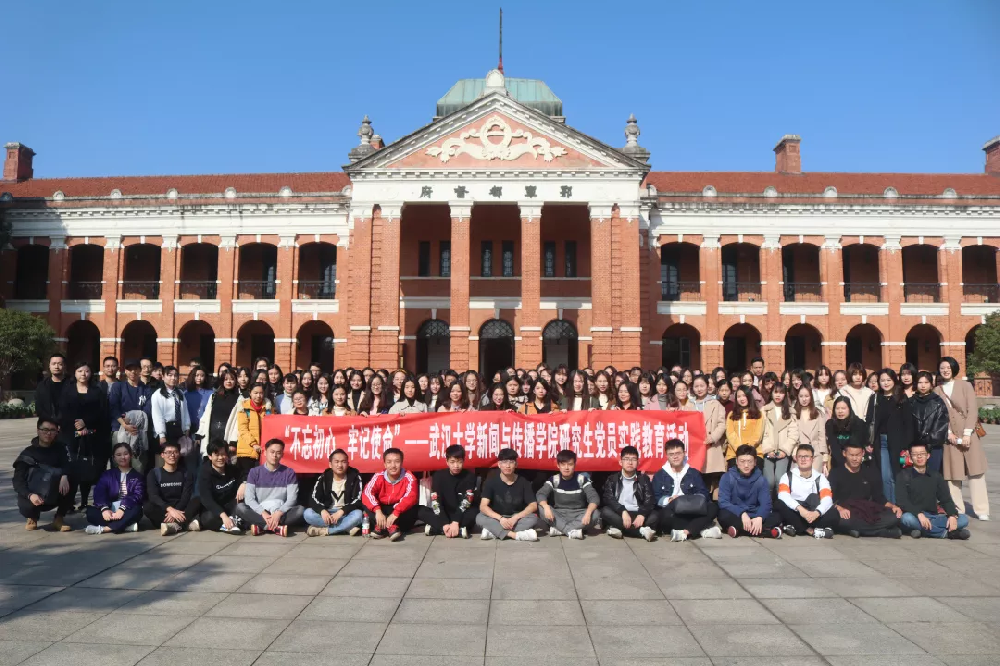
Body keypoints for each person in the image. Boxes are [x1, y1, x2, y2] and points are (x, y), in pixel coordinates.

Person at [935, 357, 989, 520]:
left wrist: (967, 433)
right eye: (942, 367)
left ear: (953, 368)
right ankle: (958, 508)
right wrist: (948, 433)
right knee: (953, 473)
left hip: (968, 432)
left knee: (976, 472)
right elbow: (939, 415)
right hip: (949, 435)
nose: (945, 370)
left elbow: (972, 409)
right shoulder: (937, 390)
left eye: (948, 367)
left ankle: (981, 509)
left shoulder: (965, 385)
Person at [59, 360, 107, 511]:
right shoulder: (67, 390)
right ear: (75, 372)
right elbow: (63, 412)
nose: (83, 374)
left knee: (87, 467)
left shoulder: (97, 390)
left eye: (86, 371)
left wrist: (86, 422)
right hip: (70, 434)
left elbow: (102, 412)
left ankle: (85, 501)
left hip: (91, 434)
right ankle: (69, 501)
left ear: (91, 373)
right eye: (80, 371)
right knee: (72, 466)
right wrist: (76, 426)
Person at [896, 442, 970, 540]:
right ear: (910, 457)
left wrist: (952, 515)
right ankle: (947, 533)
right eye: (915, 454)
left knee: (963, 519)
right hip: (914, 515)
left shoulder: (936, 476)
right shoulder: (903, 475)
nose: (919, 457)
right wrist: (919, 514)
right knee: (906, 519)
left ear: (928, 456)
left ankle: (921, 531)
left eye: (922, 454)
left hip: (934, 516)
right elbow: (902, 501)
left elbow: (946, 499)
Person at [829, 441, 902, 538]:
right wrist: (839, 508)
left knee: (894, 517)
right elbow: (829, 498)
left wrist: (893, 506)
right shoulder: (835, 473)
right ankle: (880, 532)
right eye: (851, 455)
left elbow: (879, 498)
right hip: (846, 512)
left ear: (863, 453)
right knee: (835, 517)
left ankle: (857, 530)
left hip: (866, 512)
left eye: (858, 455)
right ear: (844, 454)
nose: (855, 458)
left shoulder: (870, 472)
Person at [13, 417, 74, 531]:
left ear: (57, 432)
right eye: (45, 430)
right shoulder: (28, 453)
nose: (48, 433)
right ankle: (32, 517)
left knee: (73, 478)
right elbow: (17, 481)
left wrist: (65, 475)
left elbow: (69, 465)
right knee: (25, 498)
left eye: (52, 430)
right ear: (38, 430)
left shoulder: (61, 448)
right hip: (34, 494)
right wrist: (30, 495)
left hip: (54, 491)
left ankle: (59, 518)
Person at [652, 439, 721, 541]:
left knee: (713, 507)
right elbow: (655, 497)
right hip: (672, 512)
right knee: (663, 516)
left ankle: (685, 532)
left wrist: (688, 499)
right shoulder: (659, 475)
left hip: (692, 509)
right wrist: (669, 500)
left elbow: (704, 494)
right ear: (666, 456)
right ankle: (702, 529)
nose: (675, 457)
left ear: (684, 453)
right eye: (671, 454)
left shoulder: (693, 473)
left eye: (678, 453)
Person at [236, 438, 304, 537]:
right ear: (265, 452)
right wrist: (263, 513)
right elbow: (249, 499)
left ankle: (261, 526)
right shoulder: (254, 472)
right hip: (261, 511)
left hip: (280, 511)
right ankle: (276, 528)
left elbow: (292, 499)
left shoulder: (289, 473)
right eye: (272, 452)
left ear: (282, 455)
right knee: (240, 508)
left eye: (278, 453)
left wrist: (279, 513)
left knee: (300, 510)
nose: (275, 456)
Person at [867, 369, 913, 504]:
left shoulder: (901, 398)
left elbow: (908, 423)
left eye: (888, 380)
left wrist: (907, 445)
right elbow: (870, 420)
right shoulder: (875, 398)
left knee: (896, 476)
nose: (885, 383)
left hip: (898, 442)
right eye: (882, 380)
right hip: (881, 442)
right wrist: (867, 442)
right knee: (885, 476)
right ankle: (889, 507)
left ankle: (899, 505)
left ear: (894, 380)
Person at [717, 444, 782, 538]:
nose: (746, 465)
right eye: (742, 461)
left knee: (777, 516)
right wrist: (742, 513)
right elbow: (723, 502)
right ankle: (766, 532)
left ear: (755, 462)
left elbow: (766, 503)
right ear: (736, 462)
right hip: (737, 514)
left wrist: (760, 517)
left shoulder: (761, 480)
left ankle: (739, 530)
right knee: (722, 515)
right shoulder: (727, 477)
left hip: (755, 514)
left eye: (749, 461)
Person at [476, 448, 539, 541]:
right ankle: (515, 535)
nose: (508, 465)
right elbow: (483, 506)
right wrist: (500, 519)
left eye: (511, 462)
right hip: (497, 517)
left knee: (533, 518)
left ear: (516, 464)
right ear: (499, 464)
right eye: (504, 462)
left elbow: (533, 505)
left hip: (517, 518)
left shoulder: (523, 482)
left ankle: (494, 532)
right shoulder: (491, 482)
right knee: (479, 517)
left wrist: (516, 517)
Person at [535, 450, 600, 539]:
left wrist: (588, 513)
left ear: (574, 465)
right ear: (558, 465)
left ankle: (561, 530)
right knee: (541, 507)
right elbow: (541, 494)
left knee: (595, 513)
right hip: (558, 515)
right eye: (563, 464)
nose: (566, 468)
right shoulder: (554, 479)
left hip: (579, 514)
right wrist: (546, 507)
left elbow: (594, 498)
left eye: (570, 464)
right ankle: (571, 530)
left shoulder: (582, 479)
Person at [418, 444, 480, 538]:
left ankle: (437, 529)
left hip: (462, 513)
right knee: (421, 511)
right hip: (445, 512)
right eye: (452, 462)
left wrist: (455, 521)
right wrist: (444, 523)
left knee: (474, 512)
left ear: (463, 461)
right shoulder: (438, 476)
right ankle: (457, 530)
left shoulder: (470, 477)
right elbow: (436, 502)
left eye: (459, 462)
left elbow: (466, 501)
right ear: (447, 462)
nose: (456, 465)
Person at [776, 445, 838, 538]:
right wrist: (801, 510)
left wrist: (817, 513)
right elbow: (783, 496)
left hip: (813, 513)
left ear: (812, 459)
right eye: (800, 456)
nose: (803, 459)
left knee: (834, 513)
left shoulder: (820, 477)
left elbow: (827, 499)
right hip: (796, 512)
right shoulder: (787, 476)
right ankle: (810, 530)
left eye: (807, 456)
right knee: (779, 504)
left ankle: (796, 527)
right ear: (796, 458)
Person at [600, 445, 658, 541]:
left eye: (633, 459)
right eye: (626, 459)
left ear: (638, 462)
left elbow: (650, 499)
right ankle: (642, 531)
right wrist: (622, 511)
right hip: (620, 514)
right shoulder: (612, 479)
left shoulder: (643, 479)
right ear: (620, 462)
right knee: (605, 511)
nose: (630, 462)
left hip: (637, 513)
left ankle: (616, 528)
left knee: (655, 515)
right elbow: (608, 498)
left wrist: (642, 514)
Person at [85, 443, 144, 534]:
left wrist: (123, 508)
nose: (122, 457)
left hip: (127, 509)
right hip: (110, 508)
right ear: (114, 458)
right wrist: (104, 508)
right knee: (90, 513)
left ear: (131, 455)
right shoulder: (107, 474)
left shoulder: (137, 476)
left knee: (137, 510)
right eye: (118, 455)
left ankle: (105, 529)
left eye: (125, 454)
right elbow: (99, 492)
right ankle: (126, 526)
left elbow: (138, 495)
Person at [362, 447, 419, 540]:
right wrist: (377, 511)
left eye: (397, 461)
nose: (393, 465)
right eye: (389, 462)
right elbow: (367, 492)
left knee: (418, 509)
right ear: (384, 464)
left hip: (398, 511)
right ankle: (389, 528)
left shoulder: (409, 477)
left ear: (402, 463)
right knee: (365, 503)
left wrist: (396, 512)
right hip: (382, 509)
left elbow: (411, 497)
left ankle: (382, 528)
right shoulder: (378, 476)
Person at [305, 448, 364, 537]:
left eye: (343, 462)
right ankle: (346, 527)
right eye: (336, 462)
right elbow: (313, 498)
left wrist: (342, 511)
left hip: (346, 513)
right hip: (327, 512)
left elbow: (358, 500)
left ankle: (325, 531)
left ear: (348, 464)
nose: (340, 465)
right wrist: (322, 511)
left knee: (358, 515)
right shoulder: (324, 477)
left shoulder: (355, 477)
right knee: (308, 513)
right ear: (330, 464)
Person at [143, 441, 196, 535]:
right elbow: (153, 496)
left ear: (179, 454)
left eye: (175, 452)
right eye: (168, 452)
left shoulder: (186, 473)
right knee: (147, 507)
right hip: (163, 511)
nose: (172, 455)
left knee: (197, 500)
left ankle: (174, 525)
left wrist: (176, 511)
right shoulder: (154, 473)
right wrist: (170, 510)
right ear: (162, 455)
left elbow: (186, 496)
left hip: (181, 509)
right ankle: (183, 524)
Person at [195, 440, 244, 533]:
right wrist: (224, 516)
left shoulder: (232, 469)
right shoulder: (205, 473)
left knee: (243, 506)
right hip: (215, 509)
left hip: (231, 506)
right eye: (217, 455)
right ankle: (228, 524)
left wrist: (244, 483)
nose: (221, 458)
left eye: (223, 454)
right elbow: (207, 499)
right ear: (210, 456)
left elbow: (245, 475)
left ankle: (232, 523)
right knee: (208, 518)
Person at [196, 368, 240, 461]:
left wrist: (233, 441)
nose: (229, 381)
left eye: (232, 379)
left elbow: (238, 422)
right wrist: (199, 433)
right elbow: (206, 416)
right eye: (226, 379)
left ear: (236, 381)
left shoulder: (240, 399)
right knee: (208, 464)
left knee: (224, 463)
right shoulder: (214, 396)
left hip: (226, 437)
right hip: (211, 436)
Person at [761, 382, 798, 492]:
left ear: (785, 395)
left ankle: (780, 505)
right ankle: (768, 506)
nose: (778, 395)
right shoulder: (764, 410)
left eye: (781, 393)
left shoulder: (790, 412)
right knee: (769, 481)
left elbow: (794, 434)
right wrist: (767, 449)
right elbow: (762, 432)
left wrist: (784, 450)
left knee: (779, 479)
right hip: (768, 451)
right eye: (775, 392)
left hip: (783, 451)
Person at [910, 370, 950, 473]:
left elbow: (941, 427)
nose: (923, 385)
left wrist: (926, 441)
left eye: (926, 382)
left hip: (933, 447)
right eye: (920, 382)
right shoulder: (911, 402)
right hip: (914, 447)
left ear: (931, 384)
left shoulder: (938, 402)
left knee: (932, 475)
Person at [150, 366, 191, 465]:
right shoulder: (157, 395)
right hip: (166, 430)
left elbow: (185, 411)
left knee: (178, 460)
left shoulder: (180, 393)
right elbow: (157, 416)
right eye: (170, 375)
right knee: (163, 461)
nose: (173, 378)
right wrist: (162, 435)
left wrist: (186, 427)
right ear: (163, 377)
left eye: (175, 376)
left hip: (178, 430)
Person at [236, 384, 272, 482]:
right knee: (246, 480)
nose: (258, 396)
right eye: (255, 393)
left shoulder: (269, 408)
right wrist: (254, 443)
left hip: (264, 450)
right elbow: (242, 429)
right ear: (250, 393)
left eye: (261, 393)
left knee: (261, 480)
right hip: (247, 450)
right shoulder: (243, 407)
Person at [725, 386, 764, 465]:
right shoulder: (731, 414)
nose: (742, 399)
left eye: (744, 396)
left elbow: (758, 434)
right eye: (739, 396)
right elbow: (730, 433)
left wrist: (747, 450)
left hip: (754, 452)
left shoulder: (758, 414)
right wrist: (740, 450)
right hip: (734, 453)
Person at [826, 396, 867, 469]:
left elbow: (856, 445)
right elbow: (834, 446)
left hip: (855, 463)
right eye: (837, 408)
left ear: (849, 409)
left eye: (843, 408)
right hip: (837, 464)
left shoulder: (858, 423)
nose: (840, 411)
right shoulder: (830, 424)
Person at [794, 386, 828, 473]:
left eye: (807, 396)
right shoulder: (793, 413)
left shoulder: (818, 413)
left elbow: (821, 435)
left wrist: (824, 454)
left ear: (811, 397)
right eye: (801, 396)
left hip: (815, 453)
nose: (804, 399)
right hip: (798, 453)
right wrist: (794, 452)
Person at [35, 354, 67, 425]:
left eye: (59, 364)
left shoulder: (72, 385)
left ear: (64, 366)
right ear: (49, 366)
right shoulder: (42, 386)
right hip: (48, 425)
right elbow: (39, 408)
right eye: (53, 364)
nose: (56, 366)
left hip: (68, 426)